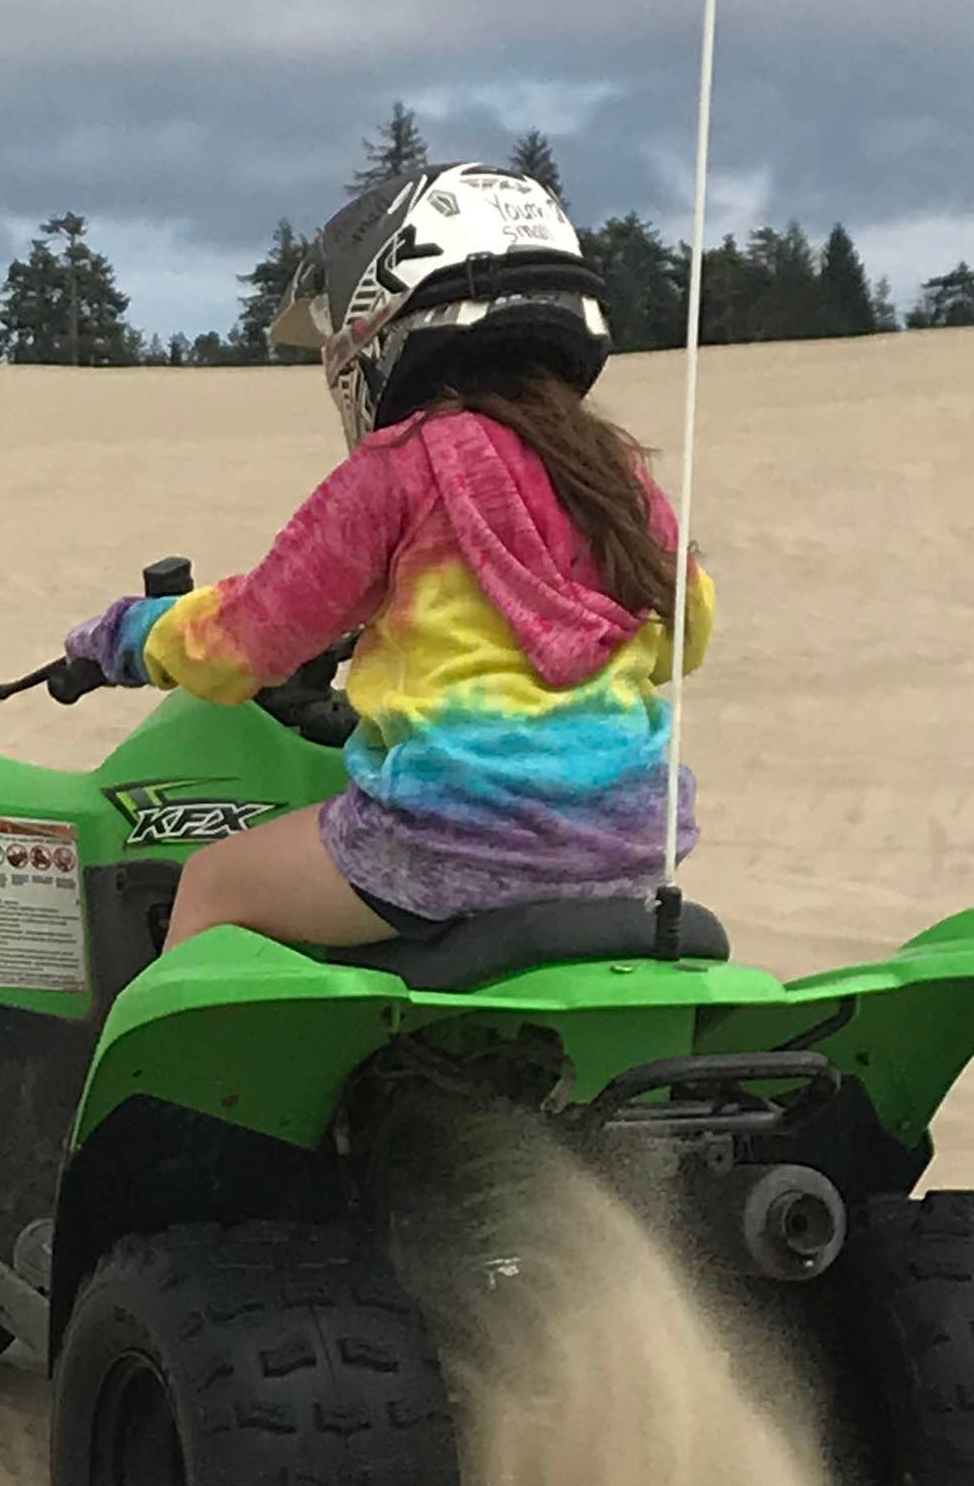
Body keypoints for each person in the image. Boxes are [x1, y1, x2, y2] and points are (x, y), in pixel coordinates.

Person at [63, 163, 712, 952]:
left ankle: (166, 1080)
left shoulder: (402, 466)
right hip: (630, 847)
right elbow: (686, 631)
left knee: (210, 884)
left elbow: (248, 639)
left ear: (378, 320)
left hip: (449, 842)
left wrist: (133, 636)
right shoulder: (616, 475)